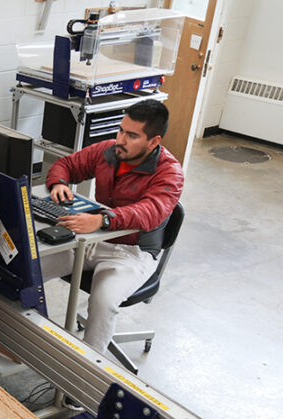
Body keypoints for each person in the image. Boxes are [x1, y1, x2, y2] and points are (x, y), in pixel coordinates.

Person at [42, 99, 183, 353]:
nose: (121, 139)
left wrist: (103, 220)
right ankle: (12, 341)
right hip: (92, 239)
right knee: (30, 268)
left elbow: (151, 212)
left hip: (131, 252)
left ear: (153, 142)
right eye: (120, 130)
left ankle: (86, 375)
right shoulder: (109, 151)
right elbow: (67, 165)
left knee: (103, 302)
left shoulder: (170, 172)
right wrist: (59, 183)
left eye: (132, 135)